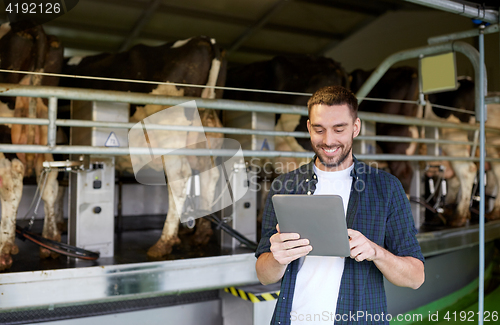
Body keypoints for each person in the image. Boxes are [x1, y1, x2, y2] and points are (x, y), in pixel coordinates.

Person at [255, 85, 425, 325]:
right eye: (319, 129)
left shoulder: (386, 188)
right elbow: (263, 275)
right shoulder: (285, 186)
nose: (328, 140)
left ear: (355, 127)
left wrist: (376, 252)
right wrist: (277, 257)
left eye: (339, 129)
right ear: (308, 128)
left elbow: (415, 277)